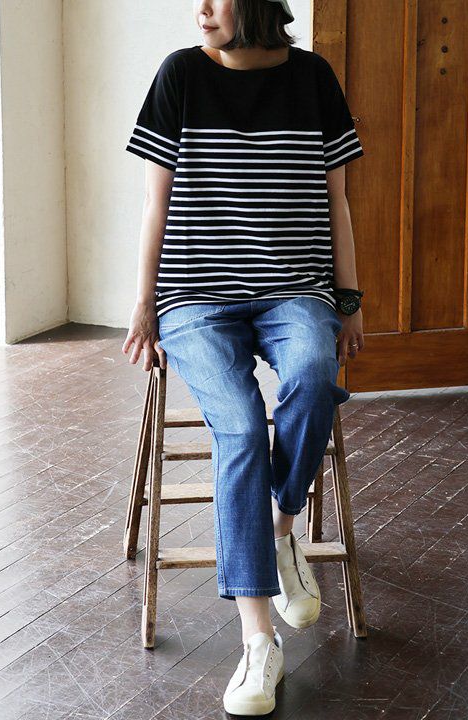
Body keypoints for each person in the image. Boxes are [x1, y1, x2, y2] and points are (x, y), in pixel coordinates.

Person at [121, 0, 365, 714]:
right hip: (196, 296)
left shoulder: (313, 78)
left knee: (314, 376)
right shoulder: (180, 75)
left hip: (295, 290)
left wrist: (349, 298)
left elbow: (338, 199)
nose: (200, 9)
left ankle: (282, 530)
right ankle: (259, 640)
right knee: (238, 424)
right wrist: (143, 303)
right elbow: (155, 203)